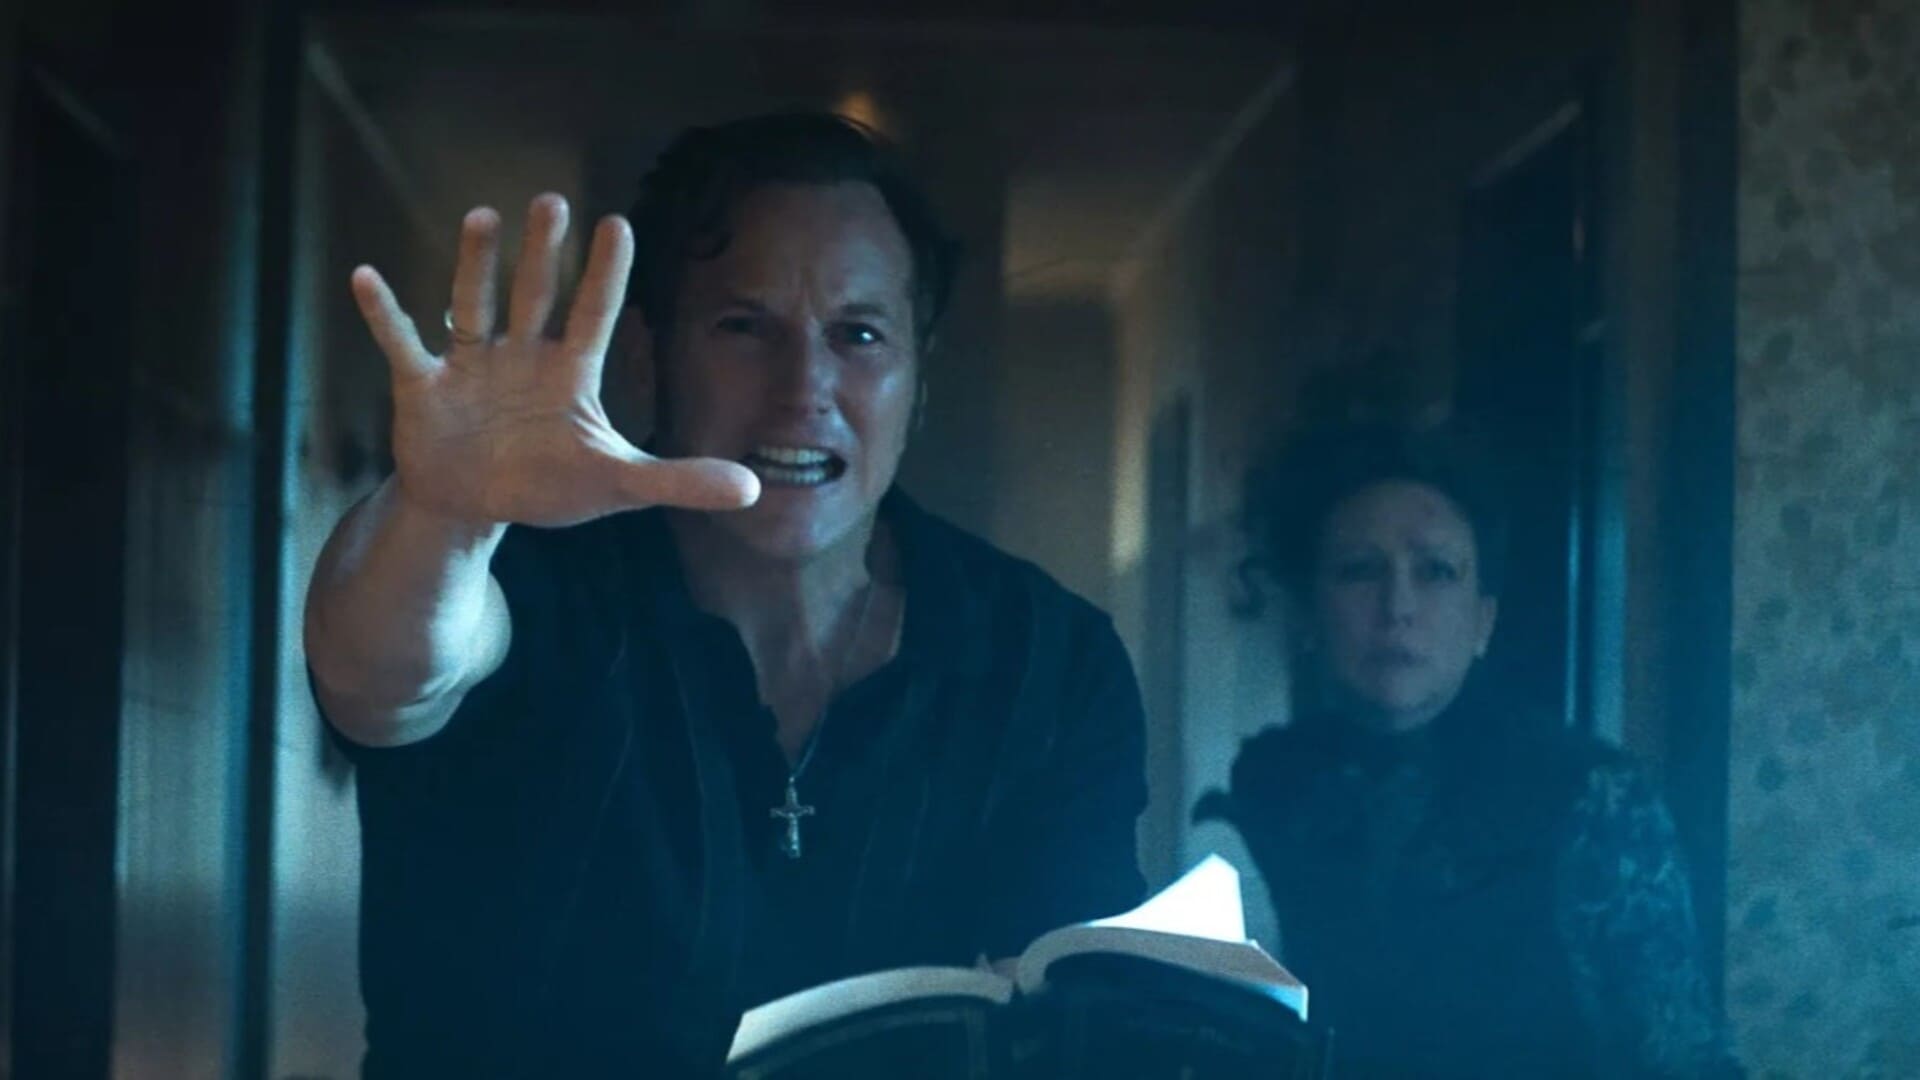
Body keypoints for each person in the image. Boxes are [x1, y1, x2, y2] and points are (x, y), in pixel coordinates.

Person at [304, 113, 1148, 1077]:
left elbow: (1087, 1011)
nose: (805, 387)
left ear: (919, 379)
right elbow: (382, 672)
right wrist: (443, 514)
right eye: (743, 327)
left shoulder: (1048, 663)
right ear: (646, 355)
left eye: (859, 334)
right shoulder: (532, 584)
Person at [1195, 423, 1741, 1078]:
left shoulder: (1591, 797)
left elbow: (1682, 1060)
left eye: (1436, 571)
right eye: (1359, 571)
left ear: (1483, 620)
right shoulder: (1269, 787)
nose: (1397, 607)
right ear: (1310, 612)